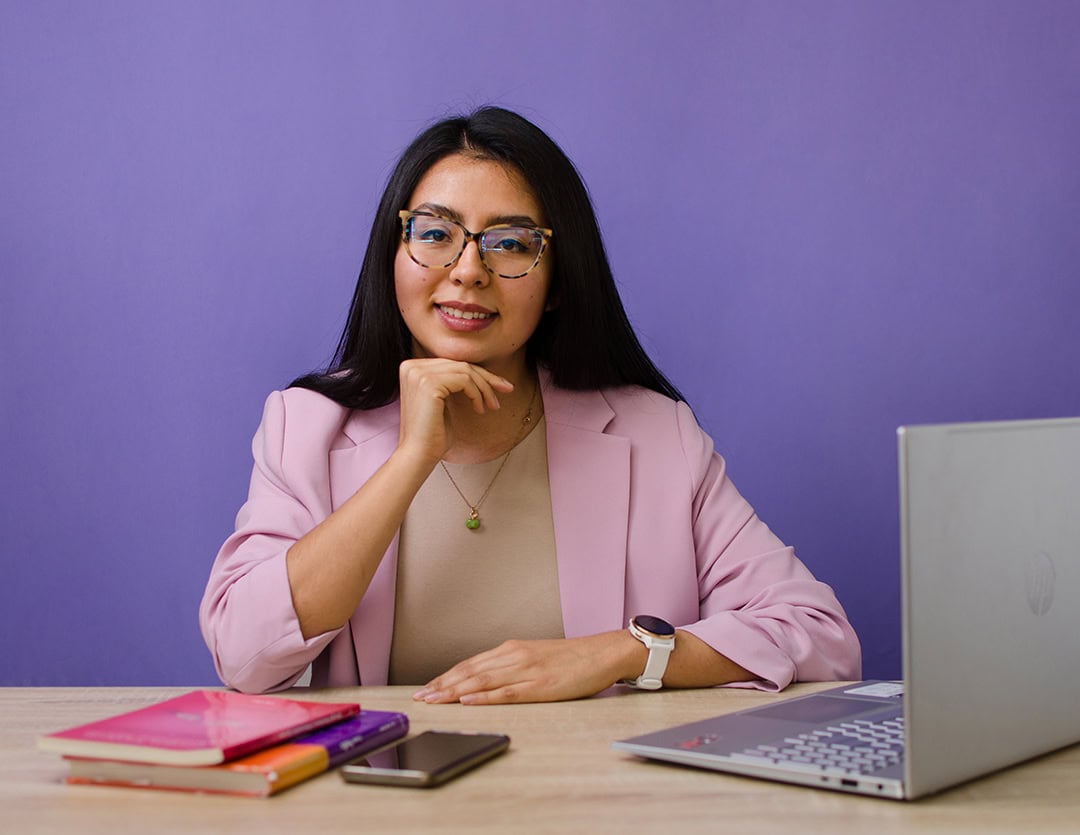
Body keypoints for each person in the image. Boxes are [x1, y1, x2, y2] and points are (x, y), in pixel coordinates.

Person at [200, 106, 861, 704]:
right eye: (435, 234)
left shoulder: (657, 435)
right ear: (393, 254)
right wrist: (411, 457)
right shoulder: (306, 426)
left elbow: (822, 637)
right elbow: (244, 653)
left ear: (556, 283)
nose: (467, 270)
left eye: (510, 243)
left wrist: (622, 653)